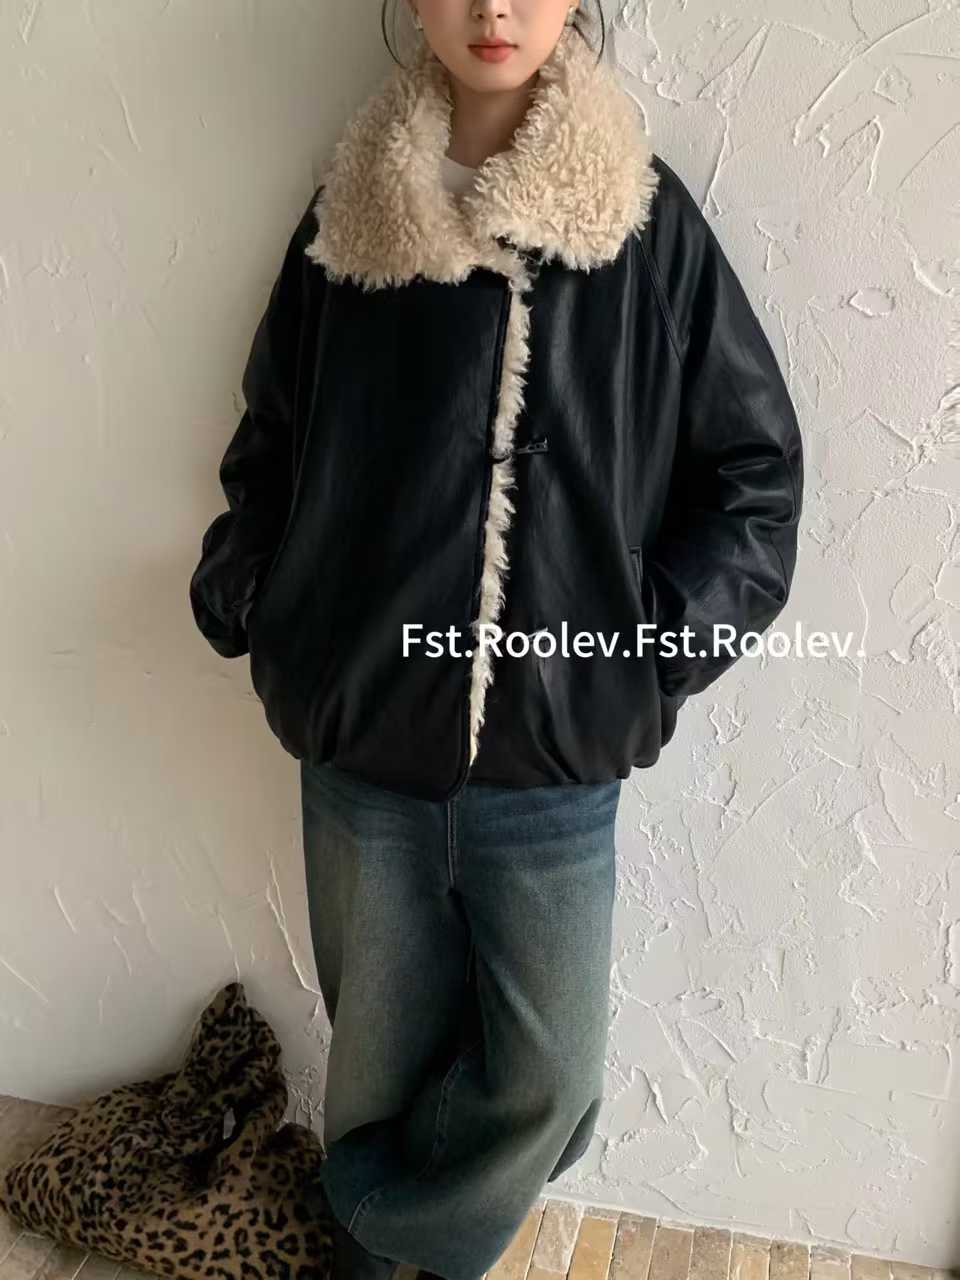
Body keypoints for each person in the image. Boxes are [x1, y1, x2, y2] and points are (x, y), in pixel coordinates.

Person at [188, 2, 805, 1278]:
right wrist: (260, 595)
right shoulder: (351, 218)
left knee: (551, 1083)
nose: (492, 8)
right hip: (363, 735)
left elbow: (755, 474)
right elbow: (272, 437)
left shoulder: (643, 224)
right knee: (375, 1057)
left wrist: (638, 659)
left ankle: (362, 1231)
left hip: (554, 753)